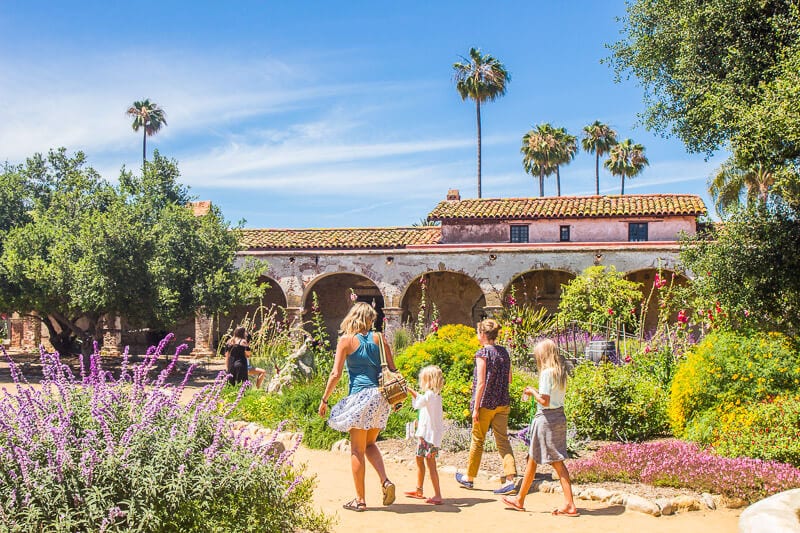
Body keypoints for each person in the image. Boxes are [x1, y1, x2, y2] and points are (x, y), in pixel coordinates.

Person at [318, 302, 397, 512]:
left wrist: (324, 399)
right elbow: (393, 368)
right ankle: (385, 481)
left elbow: (335, 374)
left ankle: (360, 500)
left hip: (360, 397)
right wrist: (396, 399)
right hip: (380, 397)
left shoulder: (346, 341)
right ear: (370, 319)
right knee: (370, 444)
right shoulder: (380, 338)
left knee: (356, 450)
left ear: (352, 317)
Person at [501, 339, 578, 517]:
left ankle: (570, 504)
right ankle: (519, 499)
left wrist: (531, 392)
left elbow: (544, 401)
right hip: (559, 416)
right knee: (533, 459)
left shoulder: (546, 373)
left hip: (546, 419)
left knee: (557, 462)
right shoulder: (560, 372)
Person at [455, 318, 517, 494]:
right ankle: (510, 479)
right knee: (503, 440)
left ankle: (469, 477)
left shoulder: (482, 354)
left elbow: (481, 382)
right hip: (502, 402)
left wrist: (475, 407)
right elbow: (510, 378)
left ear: (483, 334)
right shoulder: (504, 352)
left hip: (486, 404)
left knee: (478, 439)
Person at [403, 365, 445, 505]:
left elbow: (418, 403)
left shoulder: (429, 395)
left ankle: (437, 495)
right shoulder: (435, 395)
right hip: (428, 436)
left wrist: (409, 391)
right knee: (419, 459)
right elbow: (421, 401)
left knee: (430, 464)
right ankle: (419, 489)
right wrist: (412, 392)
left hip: (429, 437)